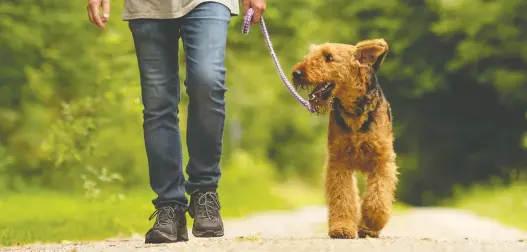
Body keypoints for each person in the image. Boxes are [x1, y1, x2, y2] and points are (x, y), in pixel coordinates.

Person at [86, 0, 266, 243]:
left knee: (208, 82)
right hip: (148, 5)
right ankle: (169, 206)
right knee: (157, 102)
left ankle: (205, 191)